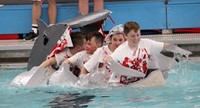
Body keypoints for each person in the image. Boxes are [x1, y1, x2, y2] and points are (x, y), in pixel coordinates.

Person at [105, 21, 171, 85]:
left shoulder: (146, 43)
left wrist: (178, 50)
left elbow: (164, 45)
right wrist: (109, 61)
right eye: (133, 36)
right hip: (119, 85)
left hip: (138, 81)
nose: (136, 38)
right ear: (125, 36)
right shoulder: (121, 50)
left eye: (138, 35)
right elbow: (109, 59)